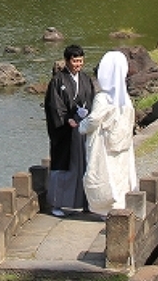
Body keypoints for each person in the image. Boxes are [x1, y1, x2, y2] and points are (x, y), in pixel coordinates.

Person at [79, 50, 138, 218]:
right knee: (120, 175)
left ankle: (107, 209)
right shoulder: (124, 97)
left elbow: (93, 120)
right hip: (122, 143)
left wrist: (81, 126)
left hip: (104, 144)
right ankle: (122, 207)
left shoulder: (103, 98)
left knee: (104, 174)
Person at [43, 45, 96, 217]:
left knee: (85, 165)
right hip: (65, 131)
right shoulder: (58, 81)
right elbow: (54, 106)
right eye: (74, 61)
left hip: (82, 128)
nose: (77, 64)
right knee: (64, 166)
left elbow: (91, 100)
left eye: (80, 61)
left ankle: (85, 202)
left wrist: (87, 116)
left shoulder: (86, 79)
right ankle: (58, 203)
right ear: (67, 61)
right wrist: (67, 119)